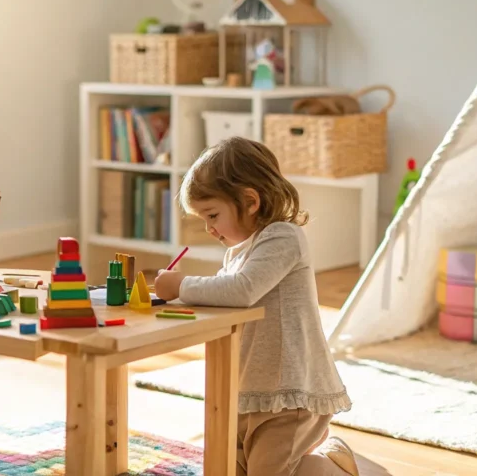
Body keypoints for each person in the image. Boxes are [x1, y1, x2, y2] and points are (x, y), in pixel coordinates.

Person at [154, 137, 360, 476]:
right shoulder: (238, 254)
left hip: (288, 394)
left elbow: (241, 290)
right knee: (226, 467)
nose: (209, 229)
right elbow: (223, 299)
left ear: (250, 201)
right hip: (248, 388)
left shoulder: (283, 238)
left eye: (213, 215)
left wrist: (181, 285)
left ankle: (334, 464)